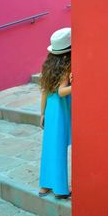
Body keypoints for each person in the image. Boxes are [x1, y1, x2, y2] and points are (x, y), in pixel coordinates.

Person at [39, 28, 72, 199]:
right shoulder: (66, 67)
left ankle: (44, 186)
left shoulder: (47, 65)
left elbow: (44, 91)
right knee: (59, 149)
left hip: (50, 111)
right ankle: (60, 189)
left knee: (49, 147)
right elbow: (61, 92)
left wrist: (42, 113)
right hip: (60, 111)